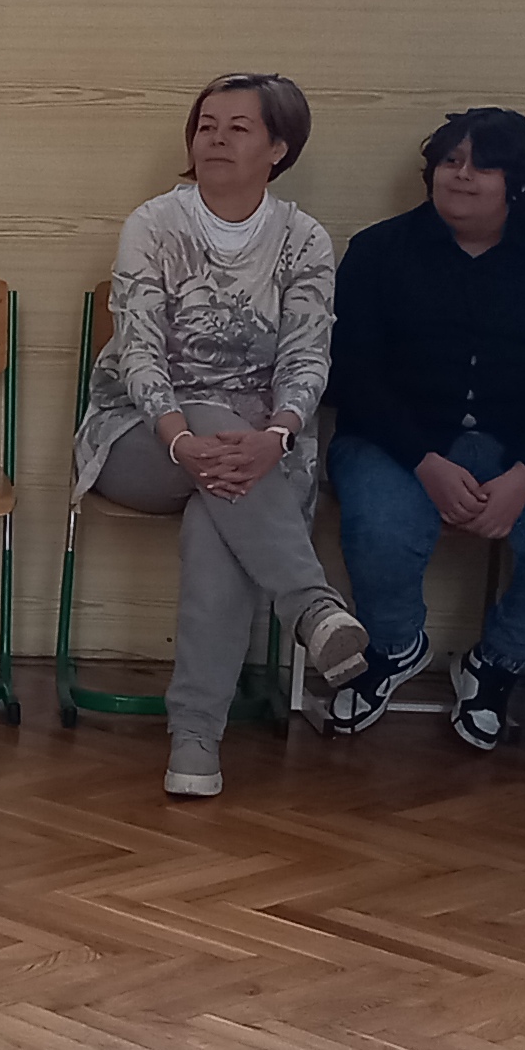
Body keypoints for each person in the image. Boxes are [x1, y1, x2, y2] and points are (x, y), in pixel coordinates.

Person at [68, 71, 372, 800]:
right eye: (206, 125)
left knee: (217, 513)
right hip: (141, 436)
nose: (215, 139)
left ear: (279, 147)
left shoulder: (303, 239)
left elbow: (308, 356)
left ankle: (195, 741)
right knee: (211, 426)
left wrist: (277, 435)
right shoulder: (153, 225)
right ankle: (311, 607)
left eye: (238, 128)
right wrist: (181, 438)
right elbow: (139, 352)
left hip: (258, 452)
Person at [319, 106, 525, 749]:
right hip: (392, 438)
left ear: (518, 184)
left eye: (482, 166)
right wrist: (423, 461)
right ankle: (393, 647)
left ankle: (497, 664)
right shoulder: (378, 250)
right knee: (380, 524)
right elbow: (355, 374)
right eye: (450, 161)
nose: (461, 175)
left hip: (520, 445)